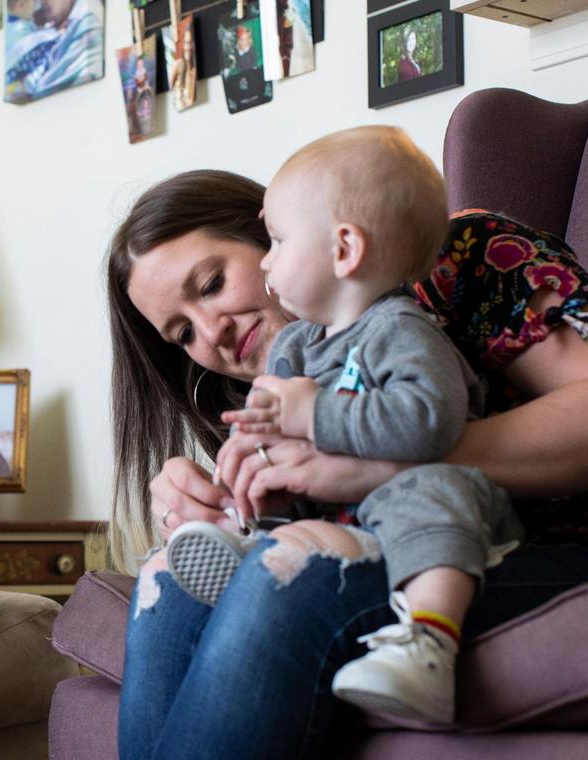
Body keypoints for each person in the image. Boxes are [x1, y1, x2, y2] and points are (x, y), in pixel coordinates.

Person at [105, 168, 588, 759]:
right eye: (182, 333)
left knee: (295, 569)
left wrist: (370, 463)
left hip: (581, 545)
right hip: (408, 553)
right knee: (167, 577)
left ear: (269, 235)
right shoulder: (282, 369)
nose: (212, 333)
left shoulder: (457, 255)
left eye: (212, 283)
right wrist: (216, 508)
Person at [163, 126, 523, 725]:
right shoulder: (298, 348)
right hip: (341, 519)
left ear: (344, 250)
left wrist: (313, 414)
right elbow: (282, 437)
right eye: (181, 333)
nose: (269, 257)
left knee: (434, 491)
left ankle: (428, 642)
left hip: (422, 501)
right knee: (263, 503)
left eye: (276, 240)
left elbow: (429, 422)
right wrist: (249, 460)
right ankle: (239, 533)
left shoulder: (400, 329)